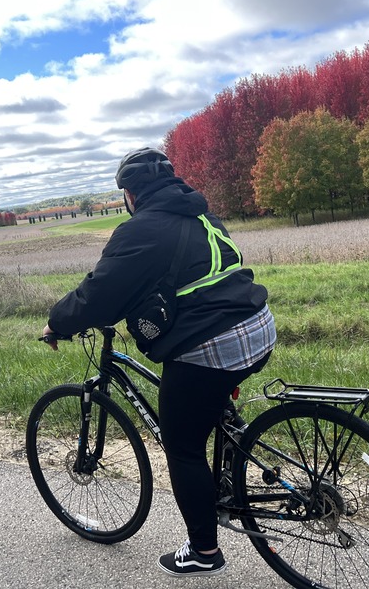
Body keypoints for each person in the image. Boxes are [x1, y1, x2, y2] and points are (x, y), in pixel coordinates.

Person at [42, 147, 276, 577]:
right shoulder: (203, 216)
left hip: (214, 345)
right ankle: (226, 468)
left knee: (183, 446)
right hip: (258, 327)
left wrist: (58, 323)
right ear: (170, 182)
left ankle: (204, 552)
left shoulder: (142, 230)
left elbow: (99, 293)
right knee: (205, 401)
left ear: (131, 193)